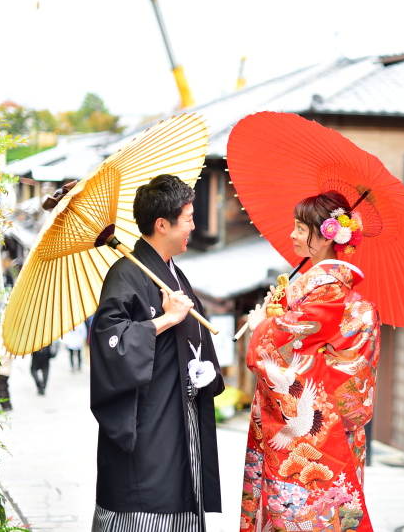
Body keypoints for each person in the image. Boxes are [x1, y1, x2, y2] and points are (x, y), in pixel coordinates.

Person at [89, 174, 224, 531]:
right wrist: (164, 321)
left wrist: (205, 367)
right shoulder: (125, 275)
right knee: (146, 506)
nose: (195, 224)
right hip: (147, 425)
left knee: (183, 498)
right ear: (162, 224)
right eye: (189, 217)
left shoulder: (173, 274)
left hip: (182, 416)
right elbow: (108, 342)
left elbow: (192, 336)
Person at [240, 191, 381, 532]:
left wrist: (263, 325)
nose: (293, 235)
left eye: (301, 229)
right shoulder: (336, 294)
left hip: (319, 434)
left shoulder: (326, 291)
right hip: (340, 427)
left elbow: (280, 345)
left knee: (300, 515)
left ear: (326, 236)